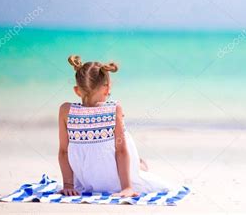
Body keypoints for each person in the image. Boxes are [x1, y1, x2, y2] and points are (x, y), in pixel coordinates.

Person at [58, 55, 173, 197]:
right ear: (107, 90)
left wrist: (68, 185)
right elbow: (121, 152)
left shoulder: (65, 110)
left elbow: (64, 151)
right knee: (134, 160)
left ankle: (141, 164)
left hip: (85, 180)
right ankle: (141, 165)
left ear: (77, 90)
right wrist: (127, 188)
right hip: (116, 181)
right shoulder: (114, 109)